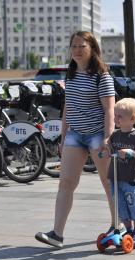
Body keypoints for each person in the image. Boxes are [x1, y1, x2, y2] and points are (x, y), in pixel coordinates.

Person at [35, 31, 116, 248]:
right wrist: (63, 137)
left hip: (98, 135)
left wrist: (108, 137)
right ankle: (57, 234)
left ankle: (117, 225)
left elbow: (109, 110)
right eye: (74, 46)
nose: (78, 51)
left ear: (92, 49)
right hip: (75, 135)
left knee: (108, 183)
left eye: (82, 46)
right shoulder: (70, 75)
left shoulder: (102, 75)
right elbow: (67, 107)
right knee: (66, 183)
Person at [108, 98, 135, 241]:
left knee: (133, 204)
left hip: (130, 178)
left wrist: (130, 152)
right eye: (115, 115)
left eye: (120, 116)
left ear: (132, 119)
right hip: (115, 176)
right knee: (121, 206)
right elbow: (109, 149)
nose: (116, 118)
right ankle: (128, 230)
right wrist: (104, 150)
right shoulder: (115, 135)